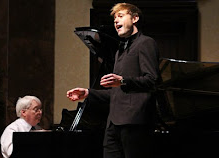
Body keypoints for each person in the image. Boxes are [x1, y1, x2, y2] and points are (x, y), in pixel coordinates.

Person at [66, 3, 161, 158]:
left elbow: (151, 80)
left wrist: (123, 81)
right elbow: (116, 93)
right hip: (113, 123)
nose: (116, 21)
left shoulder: (145, 43)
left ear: (135, 18)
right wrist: (88, 93)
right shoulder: (119, 51)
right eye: (114, 18)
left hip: (134, 122)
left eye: (121, 16)